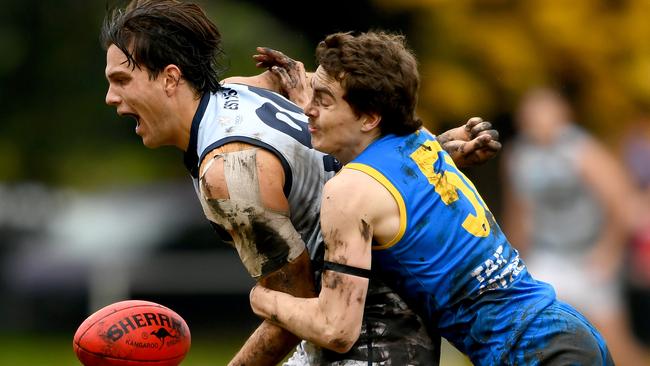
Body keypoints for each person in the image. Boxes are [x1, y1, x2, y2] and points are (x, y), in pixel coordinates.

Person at [100, 1, 501, 364]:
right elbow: (356, 110)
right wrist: (433, 149)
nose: (110, 97)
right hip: (373, 303)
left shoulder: (230, 172)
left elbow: (296, 303)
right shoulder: (244, 89)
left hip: (371, 329)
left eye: (122, 80)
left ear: (170, 78)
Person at [249, 31, 614, 365]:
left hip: (535, 352)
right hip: (563, 334)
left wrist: (265, 299)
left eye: (323, 100)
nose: (308, 109)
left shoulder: (348, 192)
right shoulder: (420, 142)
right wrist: (305, 87)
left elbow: (336, 330)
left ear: (370, 117)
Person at [501, 87, 647, 366]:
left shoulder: (581, 151)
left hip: (587, 255)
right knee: (531, 333)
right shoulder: (518, 157)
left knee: (613, 341)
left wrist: (608, 254)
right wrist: (513, 262)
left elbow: (622, 201)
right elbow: (517, 214)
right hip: (547, 257)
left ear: (561, 114)